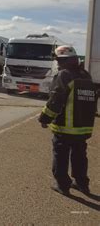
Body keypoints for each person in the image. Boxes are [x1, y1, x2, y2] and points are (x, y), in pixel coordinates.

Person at [38, 45, 97, 196]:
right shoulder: (86, 75)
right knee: (80, 156)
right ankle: (82, 184)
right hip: (83, 127)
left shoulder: (64, 75)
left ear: (63, 60)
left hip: (65, 127)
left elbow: (56, 101)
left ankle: (62, 185)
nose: (57, 64)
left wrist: (44, 118)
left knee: (61, 156)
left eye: (58, 60)